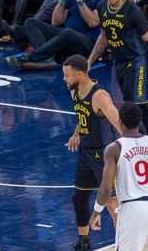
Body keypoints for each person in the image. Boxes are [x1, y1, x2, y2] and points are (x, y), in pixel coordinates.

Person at [62, 54, 121, 251]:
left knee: (112, 205)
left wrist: (130, 151)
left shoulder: (100, 96)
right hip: (85, 152)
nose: (64, 79)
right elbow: (82, 115)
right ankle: (84, 243)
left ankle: (123, 245)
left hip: (104, 154)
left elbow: (120, 125)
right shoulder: (74, 91)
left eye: (67, 75)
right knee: (79, 197)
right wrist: (75, 134)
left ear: (80, 74)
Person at [6, 0, 105, 70]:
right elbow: (56, 22)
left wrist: (79, 0)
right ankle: (46, 59)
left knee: (68, 32)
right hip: (65, 35)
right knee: (31, 22)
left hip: (87, 42)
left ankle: (33, 56)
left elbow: (93, 22)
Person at [88, 0, 148, 129]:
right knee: (135, 104)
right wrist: (89, 61)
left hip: (136, 62)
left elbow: (147, 37)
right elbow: (103, 38)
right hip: (119, 63)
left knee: (133, 105)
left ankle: (140, 142)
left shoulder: (133, 10)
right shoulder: (102, 7)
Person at [90, 102, 148, 251]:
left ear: (120, 122)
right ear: (140, 121)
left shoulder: (114, 148)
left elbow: (107, 187)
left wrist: (97, 211)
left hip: (132, 209)